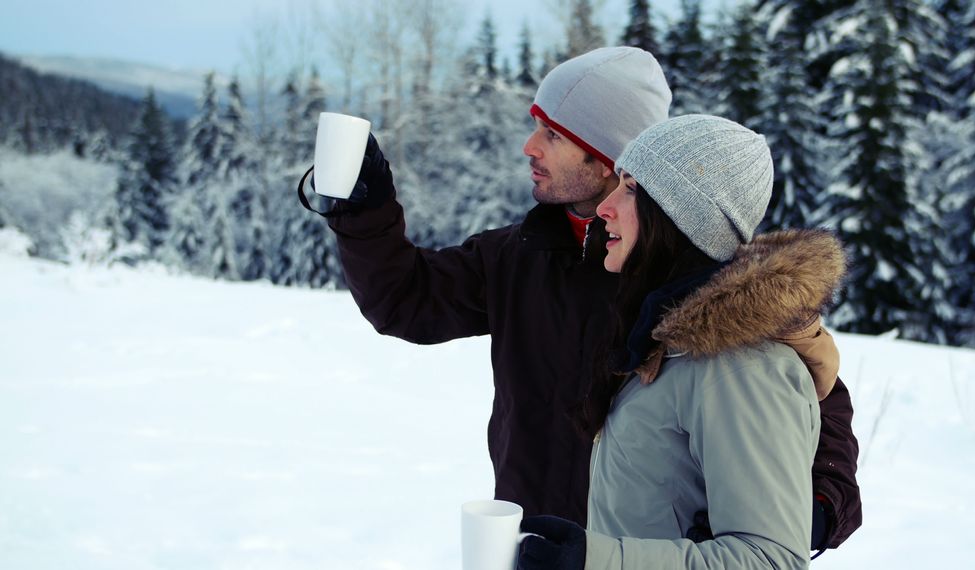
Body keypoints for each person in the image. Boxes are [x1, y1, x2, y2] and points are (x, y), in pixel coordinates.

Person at [321, 46, 861, 550]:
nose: (530, 147)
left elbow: (807, 394)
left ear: (607, 158)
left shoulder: (695, 281)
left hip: (640, 555)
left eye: (552, 134)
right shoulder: (519, 255)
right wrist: (365, 211)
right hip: (533, 544)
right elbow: (406, 299)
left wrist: (811, 506)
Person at [515, 114, 846, 570]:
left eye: (631, 188)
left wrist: (596, 561)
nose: (605, 207)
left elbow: (771, 560)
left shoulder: (741, 369)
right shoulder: (664, 346)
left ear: (680, 218)